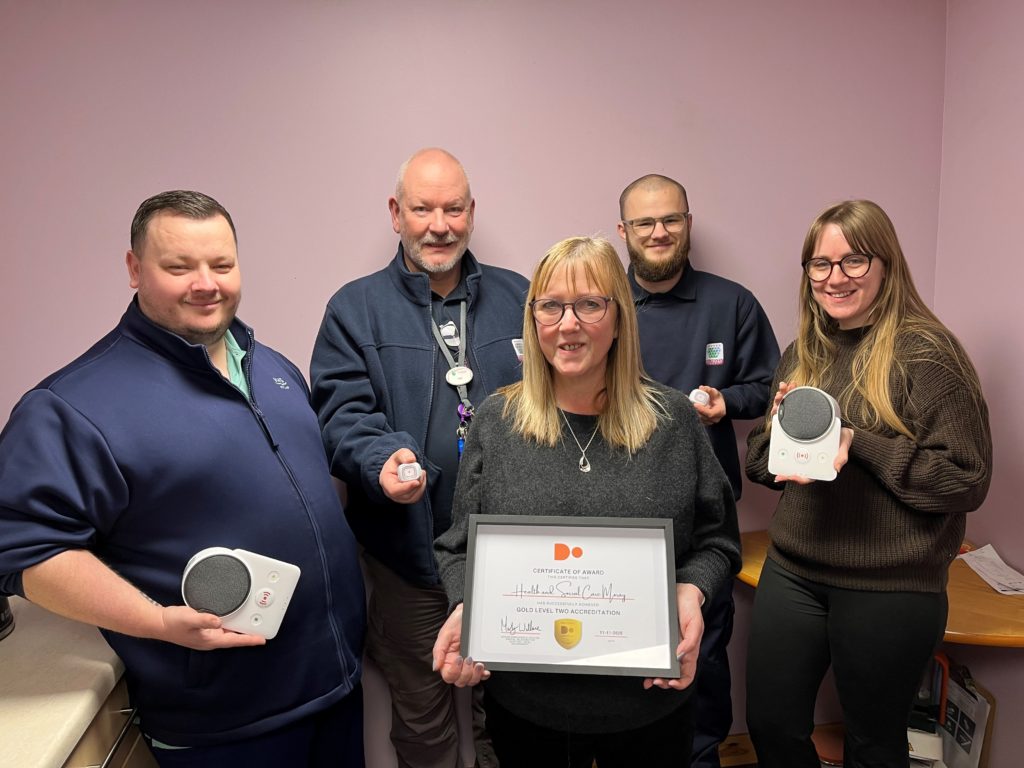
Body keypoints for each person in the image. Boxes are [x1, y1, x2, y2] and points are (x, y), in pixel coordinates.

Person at [0, 191, 367, 767]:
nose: (206, 284)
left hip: (335, 690)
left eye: (221, 265)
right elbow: (25, 552)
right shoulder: (71, 406)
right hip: (225, 727)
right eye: (179, 267)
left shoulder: (270, 366)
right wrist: (155, 621)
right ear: (133, 269)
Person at [432, 236, 742, 768]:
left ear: (619, 318)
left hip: (650, 705)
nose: (567, 323)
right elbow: (459, 545)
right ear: (533, 320)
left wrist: (692, 589)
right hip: (528, 708)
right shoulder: (496, 423)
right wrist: (468, 607)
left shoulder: (673, 422)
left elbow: (716, 539)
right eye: (550, 305)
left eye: (589, 304)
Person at [744, 200, 992, 768]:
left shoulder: (928, 356)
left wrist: (861, 445)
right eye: (820, 264)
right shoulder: (802, 352)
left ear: (886, 264)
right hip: (795, 570)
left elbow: (966, 480)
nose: (835, 278)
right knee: (771, 726)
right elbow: (762, 465)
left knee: (872, 745)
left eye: (853, 261)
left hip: (891, 585)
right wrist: (782, 439)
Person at [310, 147, 528, 768]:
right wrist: (380, 459)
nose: (440, 224)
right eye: (423, 208)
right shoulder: (354, 309)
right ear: (395, 213)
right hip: (409, 560)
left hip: (510, 557)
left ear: (471, 212)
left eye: (453, 208)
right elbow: (339, 414)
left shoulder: (524, 297)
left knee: (510, 718)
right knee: (424, 723)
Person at [618, 174, 779, 768]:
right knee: (622, 661)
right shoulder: (604, 305)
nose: (659, 232)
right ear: (624, 232)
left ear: (688, 222)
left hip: (704, 523)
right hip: (619, 518)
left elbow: (768, 387)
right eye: (644, 223)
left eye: (671, 220)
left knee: (704, 661)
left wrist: (726, 403)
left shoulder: (730, 302)